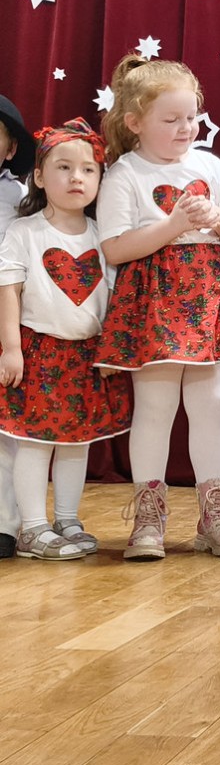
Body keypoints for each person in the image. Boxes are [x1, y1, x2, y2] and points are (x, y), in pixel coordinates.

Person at [97, 55, 220, 561]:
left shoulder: (210, 166)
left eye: (191, 117)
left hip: (210, 294)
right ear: (134, 122)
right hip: (154, 299)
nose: (185, 128)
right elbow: (115, 248)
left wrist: (215, 216)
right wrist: (172, 225)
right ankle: (149, 515)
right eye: (171, 119)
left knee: (211, 403)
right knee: (156, 406)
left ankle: (215, 514)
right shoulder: (125, 173)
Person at [0, 120, 131, 559]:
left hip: (87, 356)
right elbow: (8, 291)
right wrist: (11, 349)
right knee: (35, 443)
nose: (77, 177)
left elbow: (113, 299)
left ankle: (67, 519)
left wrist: (111, 350)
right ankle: (33, 527)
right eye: (64, 167)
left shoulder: (102, 235)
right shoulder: (24, 232)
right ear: (38, 176)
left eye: (89, 169)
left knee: (77, 442)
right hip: (38, 353)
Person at [0, 94, 37, 560]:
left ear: (10, 150)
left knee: (5, 429)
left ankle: (4, 523)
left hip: (6, 321)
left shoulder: (19, 199)